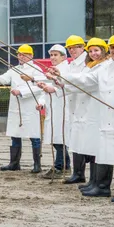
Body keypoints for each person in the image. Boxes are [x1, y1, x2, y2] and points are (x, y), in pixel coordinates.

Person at [62, 34, 114, 202]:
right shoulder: (106, 67)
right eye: (113, 47)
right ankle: (102, 187)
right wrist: (62, 77)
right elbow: (86, 80)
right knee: (105, 152)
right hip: (105, 118)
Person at [51, 37, 110, 192]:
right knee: (82, 143)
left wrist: (62, 79)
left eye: (96, 50)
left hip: (93, 109)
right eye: (91, 51)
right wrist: (60, 83)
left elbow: (85, 81)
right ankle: (91, 180)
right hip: (80, 108)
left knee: (94, 146)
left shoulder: (99, 66)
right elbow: (77, 85)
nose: (93, 53)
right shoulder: (90, 65)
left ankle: (99, 184)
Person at [0, 45, 46, 173]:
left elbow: (40, 87)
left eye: (24, 54)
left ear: (31, 56)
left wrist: (21, 91)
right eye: (20, 54)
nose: (21, 57)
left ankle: (37, 164)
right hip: (16, 108)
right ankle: (14, 163)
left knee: (34, 136)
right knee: (15, 135)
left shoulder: (36, 70)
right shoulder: (14, 69)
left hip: (30, 107)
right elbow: (5, 78)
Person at [38, 44, 70, 178]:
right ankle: (65, 165)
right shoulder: (51, 70)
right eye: (51, 55)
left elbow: (67, 86)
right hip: (53, 108)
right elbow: (47, 90)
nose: (53, 57)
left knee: (60, 139)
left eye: (56, 55)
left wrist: (53, 89)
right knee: (55, 139)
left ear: (63, 57)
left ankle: (59, 166)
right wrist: (42, 97)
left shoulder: (66, 70)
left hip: (63, 107)